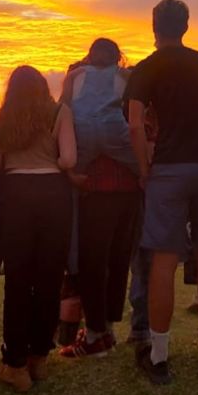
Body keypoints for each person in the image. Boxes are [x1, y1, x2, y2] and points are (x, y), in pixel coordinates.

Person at [126, 0, 198, 384]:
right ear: (186, 26)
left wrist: (145, 170)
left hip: (170, 170)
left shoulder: (147, 68)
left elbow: (135, 126)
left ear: (154, 27)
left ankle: (158, 356)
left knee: (164, 257)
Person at [0, 65, 77, 392]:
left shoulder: (3, 116)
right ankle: (38, 358)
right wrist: (48, 164)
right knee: (48, 279)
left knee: (17, 280)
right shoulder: (59, 112)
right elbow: (69, 159)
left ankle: (14, 364)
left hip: (16, 197)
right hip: (54, 196)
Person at [58, 39, 140, 358]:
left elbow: (64, 118)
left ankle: (93, 336)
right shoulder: (127, 79)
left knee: (93, 262)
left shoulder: (76, 78)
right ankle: (107, 328)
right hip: (128, 188)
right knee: (118, 261)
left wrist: (70, 171)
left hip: (93, 186)